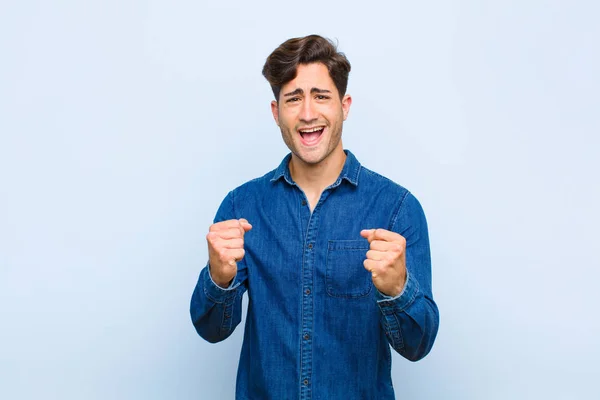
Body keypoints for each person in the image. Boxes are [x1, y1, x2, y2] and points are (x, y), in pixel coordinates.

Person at [190, 34, 439, 399]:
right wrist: (218, 277)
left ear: (344, 105)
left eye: (321, 96)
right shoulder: (240, 207)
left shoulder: (397, 209)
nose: (308, 113)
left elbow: (418, 345)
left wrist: (398, 289)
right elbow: (210, 330)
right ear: (277, 112)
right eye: (293, 98)